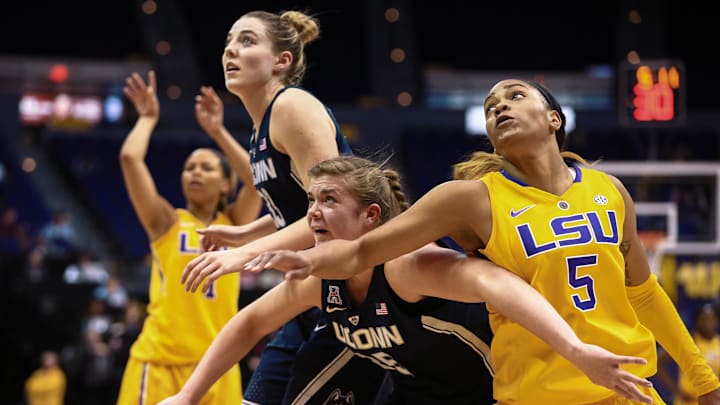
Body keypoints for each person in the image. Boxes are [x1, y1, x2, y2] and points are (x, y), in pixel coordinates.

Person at [240, 79, 720, 404]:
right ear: (491, 139)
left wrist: (700, 375)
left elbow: (643, 292)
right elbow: (367, 248)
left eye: (514, 96)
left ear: (554, 119)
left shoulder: (609, 190)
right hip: (536, 392)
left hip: (626, 385)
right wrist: (297, 256)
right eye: (492, 107)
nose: (500, 106)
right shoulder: (469, 200)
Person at [160, 155, 655, 405]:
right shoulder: (322, 279)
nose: (313, 212)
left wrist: (576, 350)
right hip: (414, 391)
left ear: (372, 218)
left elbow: (496, 284)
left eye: (329, 200)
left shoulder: (406, 265)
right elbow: (248, 325)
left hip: (491, 390)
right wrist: (188, 396)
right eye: (310, 201)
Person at [181, 10, 389, 404]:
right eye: (229, 41)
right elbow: (298, 211)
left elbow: (331, 212)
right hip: (313, 290)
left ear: (282, 61)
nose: (230, 50)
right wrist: (243, 233)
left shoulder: (291, 106)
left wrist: (242, 254)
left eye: (246, 40)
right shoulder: (261, 126)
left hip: (357, 291)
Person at [115, 70, 262, 405]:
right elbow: (129, 159)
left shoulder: (236, 223)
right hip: (160, 361)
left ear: (226, 184)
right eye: (189, 167)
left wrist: (217, 132)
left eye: (206, 167)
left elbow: (256, 180)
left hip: (217, 365)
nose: (195, 172)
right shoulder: (166, 221)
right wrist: (148, 118)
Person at [657, 303, 720, 404]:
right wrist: (676, 390)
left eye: (711, 319)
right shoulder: (691, 340)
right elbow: (659, 362)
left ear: (716, 321)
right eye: (704, 319)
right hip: (687, 401)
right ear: (697, 321)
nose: (707, 323)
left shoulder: (718, 343)